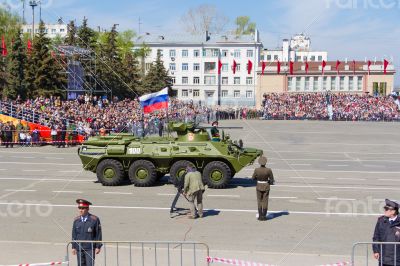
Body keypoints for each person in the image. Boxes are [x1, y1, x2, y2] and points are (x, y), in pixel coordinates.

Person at [72, 199, 102, 266]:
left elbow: (98, 234)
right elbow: (74, 234)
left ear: (88, 209)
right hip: (79, 248)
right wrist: (73, 247)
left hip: (89, 248)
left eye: (83, 208)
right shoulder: (76, 220)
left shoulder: (94, 219)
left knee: (89, 264)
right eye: (79, 208)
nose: (81, 210)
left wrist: (98, 246)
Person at [373, 199, 400, 266]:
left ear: (393, 211)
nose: (385, 210)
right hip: (383, 258)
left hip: (397, 259)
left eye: (386, 209)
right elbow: (376, 236)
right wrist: (376, 251)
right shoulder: (381, 221)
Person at [252, 156, 275, 221]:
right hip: (266, 186)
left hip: (259, 185)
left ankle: (260, 216)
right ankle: (264, 216)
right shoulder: (269, 170)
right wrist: (269, 182)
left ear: (259, 162)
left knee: (259, 201)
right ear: (265, 162)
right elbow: (272, 179)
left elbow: (253, 178)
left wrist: (258, 179)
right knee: (265, 201)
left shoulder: (257, 170)